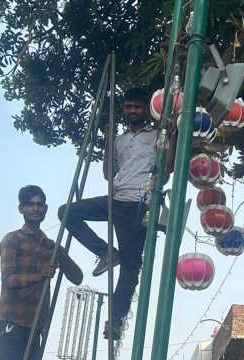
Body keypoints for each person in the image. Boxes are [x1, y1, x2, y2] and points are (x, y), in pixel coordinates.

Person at [58, 87, 176, 340]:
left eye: (137, 106)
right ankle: (105, 252)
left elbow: (169, 168)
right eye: (128, 106)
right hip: (115, 199)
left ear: (146, 109)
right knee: (67, 212)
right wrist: (108, 140)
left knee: (131, 268)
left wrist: (173, 135)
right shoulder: (120, 139)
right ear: (123, 109)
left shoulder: (157, 134)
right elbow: (108, 174)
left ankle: (115, 319)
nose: (132, 111)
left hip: (139, 204)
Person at [0, 185, 83, 360]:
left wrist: (62, 255)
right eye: (30, 204)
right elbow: (9, 280)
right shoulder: (13, 239)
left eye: (40, 204)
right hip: (13, 323)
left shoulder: (51, 246)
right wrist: (40, 276)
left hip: (36, 326)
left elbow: (77, 278)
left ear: (45, 209)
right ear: (22, 209)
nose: (36, 208)